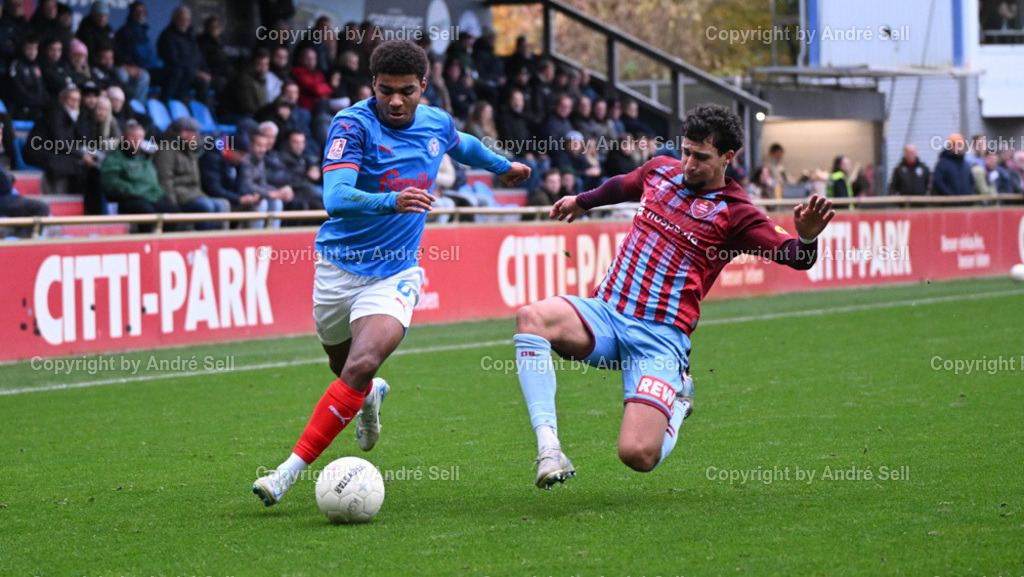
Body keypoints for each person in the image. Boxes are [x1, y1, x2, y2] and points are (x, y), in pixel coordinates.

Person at [251, 39, 530, 507]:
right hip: (338, 269)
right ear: (372, 86)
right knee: (345, 371)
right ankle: (370, 396)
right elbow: (335, 198)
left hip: (395, 272)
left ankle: (286, 472)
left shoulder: (436, 121)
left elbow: (462, 145)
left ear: (423, 86)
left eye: (406, 91)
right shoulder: (351, 125)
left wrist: (504, 167)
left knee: (359, 366)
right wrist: (390, 201)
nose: (395, 101)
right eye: (385, 91)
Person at [512, 104, 834, 488]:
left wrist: (809, 236)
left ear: (728, 157)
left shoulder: (737, 213)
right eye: (686, 151)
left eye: (701, 156)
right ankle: (550, 449)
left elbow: (795, 257)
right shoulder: (661, 170)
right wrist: (582, 201)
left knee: (637, 455)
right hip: (606, 314)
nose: (689, 163)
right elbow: (623, 183)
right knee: (532, 317)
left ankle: (679, 399)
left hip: (659, 340)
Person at [100, 120, 179, 232]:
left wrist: (159, 193)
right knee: (146, 212)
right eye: (134, 137)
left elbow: (153, 181)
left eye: (140, 137)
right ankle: (144, 244)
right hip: (127, 199)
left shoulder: (145, 157)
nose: (137, 141)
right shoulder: (114, 157)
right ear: (126, 138)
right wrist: (134, 190)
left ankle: (165, 244)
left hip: (150, 197)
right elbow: (110, 182)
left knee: (172, 211)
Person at [153, 117, 227, 229]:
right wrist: (172, 203)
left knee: (221, 205)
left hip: (194, 193)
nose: (197, 135)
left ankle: (215, 240)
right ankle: (200, 241)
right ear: (183, 133)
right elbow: (165, 179)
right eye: (194, 132)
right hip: (180, 196)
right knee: (207, 206)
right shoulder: (167, 150)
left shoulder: (191, 150)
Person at [0, 121, 51, 237]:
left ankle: (21, 241)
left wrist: (8, 180)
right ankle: (24, 244)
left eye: (1, 134)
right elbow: (5, 185)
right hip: (3, 200)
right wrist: (8, 180)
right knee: (41, 207)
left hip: (6, 198)